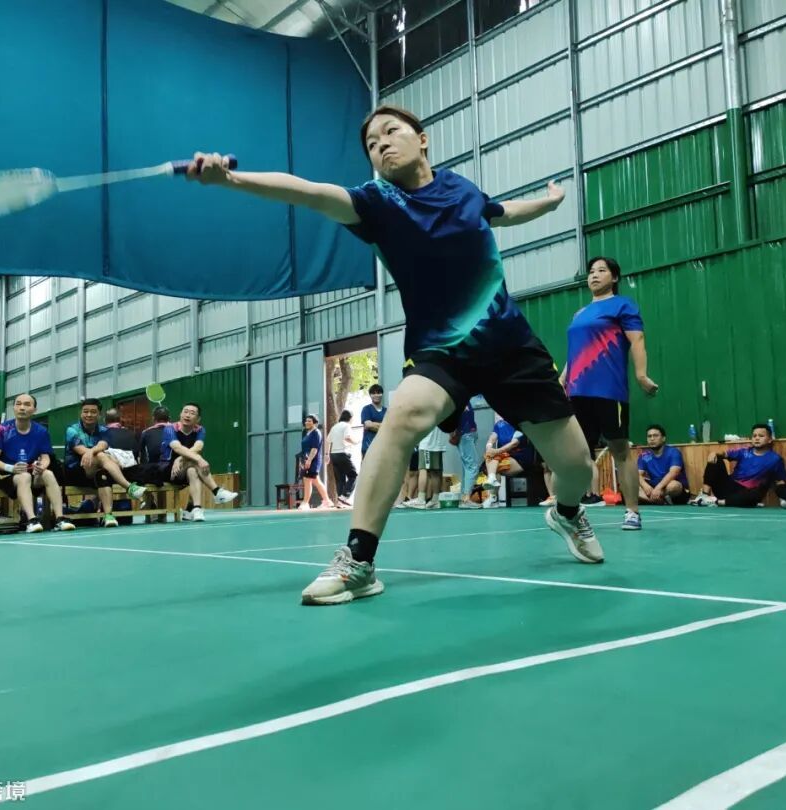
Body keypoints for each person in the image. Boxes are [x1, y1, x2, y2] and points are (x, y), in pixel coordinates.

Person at [189, 105, 602, 607]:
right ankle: (359, 560)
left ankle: (567, 512)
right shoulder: (376, 203)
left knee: (577, 466)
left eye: (391, 132)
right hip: (441, 349)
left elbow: (504, 212)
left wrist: (550, 203)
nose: (381, 144)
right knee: (403, 416)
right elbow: (307, 191)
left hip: (510, 344)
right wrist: (231, 179)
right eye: (371, 143)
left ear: (421, 139)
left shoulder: (462, 189)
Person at [560, 257, 658, 529]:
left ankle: (632, 512)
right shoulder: (580, 313)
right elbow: (575, 351)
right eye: (591, 271)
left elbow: (637, 340)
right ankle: (570, 510)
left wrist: (641, 375)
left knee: (620, 449)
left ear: (614, 277)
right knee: (578, 453)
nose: (594, 275)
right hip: (577, 390)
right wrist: (563, 379)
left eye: (601, 271)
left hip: (609, 389)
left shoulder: (623, 305)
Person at [0, 393, 74, 533]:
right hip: (5, 475)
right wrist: (11, 468)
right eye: (18, 404)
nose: (22, 407)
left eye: (27, 405)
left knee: (48, 474)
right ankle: (32, 520)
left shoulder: (41, 431)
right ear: (14, 408)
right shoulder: (1, 430)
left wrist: (42, 466)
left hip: (31, 473)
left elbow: (45, 457)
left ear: (34, 410)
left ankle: (60, 519)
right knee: (24, 477)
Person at [63, 398, 147, 528]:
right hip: (75, 472)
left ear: (99, 414)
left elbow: (103, 444)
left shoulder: (104, 430)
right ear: (81, 413)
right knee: (102, 456)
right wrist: (93, 452)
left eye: (93, 412)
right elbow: (80, 449)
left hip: (95, 470)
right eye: (85, 411)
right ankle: (129, 487)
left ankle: (108, 516)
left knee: (103, 474)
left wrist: (93, 452)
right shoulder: (72, 430)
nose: (89, 415)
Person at [162, 402, 238, 521]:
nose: (188, 415)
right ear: (180, 414)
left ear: (198, 419)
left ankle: (195, 509)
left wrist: (180, 458)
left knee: (192, 471)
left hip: (186, 468)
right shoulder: (170, 429)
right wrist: (199, 458)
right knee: (196, 462)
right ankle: (216, 491)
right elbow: (177, 448)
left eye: (192, 413)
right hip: (167, 470)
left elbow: (198, 447)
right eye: (185, 412)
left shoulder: (200, 430)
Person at [693, 424, 786, 507]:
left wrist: (784, 498)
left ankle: (716, 502)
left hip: (748, 493)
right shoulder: (744, 452)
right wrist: (714, 453)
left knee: (755, 495)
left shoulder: (775, 459)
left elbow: (780, 481)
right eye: (754, 436)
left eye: (761, 436)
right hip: (728, 487)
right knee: (716, 459)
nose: (757, 438)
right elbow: (724, 453)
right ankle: (704, 496)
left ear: (770, 439)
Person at [482, 416, 533, 508]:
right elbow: (493, 437)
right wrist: (489, 447)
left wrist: (497, 451)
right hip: (503, 456)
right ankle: (492, 483)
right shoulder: (499, 424)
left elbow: (514, 443)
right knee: (490, 457)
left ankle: (492, 491)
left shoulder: (520, 424)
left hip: (520, 458)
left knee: (494, 465)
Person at [637, 424, 689, 505]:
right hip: (653, 487)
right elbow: (637, 474)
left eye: (655, 436)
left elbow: (674, 472)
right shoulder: (644, 455)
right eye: (649, 436)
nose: (652, 439)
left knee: (674, 486)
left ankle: (652, 499)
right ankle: (658, 501)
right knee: (629, 487)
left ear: (663, 438)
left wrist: (659, 488)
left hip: (670, 488)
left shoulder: (673, 452)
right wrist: (645, 486)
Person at [299, 414, 334, 511]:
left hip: (313, 460)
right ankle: (327, 501)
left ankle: (305, 503)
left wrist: (309, 460)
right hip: (306, 460)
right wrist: (304, 460)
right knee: (316, 481)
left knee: (307, 480)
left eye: (309, 421)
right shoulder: (307, 433)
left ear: (315, 423)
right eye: (306, 421)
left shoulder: (316, 433)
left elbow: (314, 449)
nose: (307, 422)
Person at [453, 403, 482, 509]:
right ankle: (466, 498)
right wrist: (454, 434)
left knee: (467, 467)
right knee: (472, 466)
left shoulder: (466, 401)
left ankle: (464, 498)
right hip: (465, 435)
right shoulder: (458, 402)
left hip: (469, 434)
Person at [326, 409, 357, 507]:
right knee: (353, 475)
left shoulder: (335, 427)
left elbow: (328, 441)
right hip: (343, 453)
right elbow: (347, 437)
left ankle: (340, 502)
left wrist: (327, 455)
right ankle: (344, 496)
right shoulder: (347, 426)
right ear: (350, 418)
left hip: (334, 455)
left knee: (340, 479)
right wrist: (355, 442)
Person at [360, 384, 386, 459]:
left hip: (383, 448)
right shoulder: (366, 409)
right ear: (370, 395)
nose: (376, 395)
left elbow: (392, 427)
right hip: (368, 447)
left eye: (378, 393)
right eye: (373, 393)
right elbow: (368, 425)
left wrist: (374, 425)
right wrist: (385, 426)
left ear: (382, 394)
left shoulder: (386, 411)